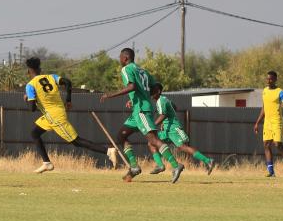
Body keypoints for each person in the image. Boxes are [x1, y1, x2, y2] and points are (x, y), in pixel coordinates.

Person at [100, 48, 184, 183]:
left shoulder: (126, 69)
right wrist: (136, 98)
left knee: (153, 139)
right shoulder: (142, 71)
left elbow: (132, 86)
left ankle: (175, 165)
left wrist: (110, 95)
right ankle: (134, 167)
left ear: (125, 58)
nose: (119, 59)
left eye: (120, 57)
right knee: (121, 136)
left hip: (141, 111)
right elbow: (156, 87)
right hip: (138, 110)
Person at [24, 57, 117, 173]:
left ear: (28, 71)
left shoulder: (30, 85)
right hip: (54, 113)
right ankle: (46, 163)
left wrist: (26, 99)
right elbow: (67, 82)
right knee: (34, 133)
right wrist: (68, 100)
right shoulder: (51, 77)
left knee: (76, 141)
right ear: (40, 69)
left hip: (54, 116)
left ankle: (108, 151)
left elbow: (32, 108)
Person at [148, 83, 215, 175]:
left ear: (159, 91)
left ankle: (207, 160)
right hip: (167, 129)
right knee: (152, 142)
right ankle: (160, 165)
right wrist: (165, 122)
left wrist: (154, 125)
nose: (151, 93)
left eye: (153, 91)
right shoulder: (163, 100)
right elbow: (174, 107)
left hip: (173, 128)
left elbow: (164, 114)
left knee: (182, 147)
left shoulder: (161, 101)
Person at [253, 71, 283, 177]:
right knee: (266, 145)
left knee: (277, 144)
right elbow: (264, 108)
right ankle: (271, 171)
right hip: (267, 122)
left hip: (277, 121)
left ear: (275, 80)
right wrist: (257, 122)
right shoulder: (264, 91)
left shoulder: (280, 92)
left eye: (271, 79)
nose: (269, 81)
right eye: (267, 79)